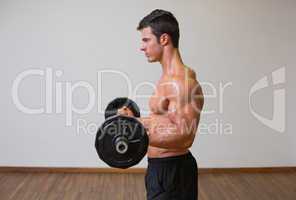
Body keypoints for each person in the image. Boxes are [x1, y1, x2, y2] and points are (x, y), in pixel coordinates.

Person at [118, 9, 204, 200]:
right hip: (159, 169)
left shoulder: (182, 82)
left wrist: (136, 131)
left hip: (174, 171)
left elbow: (184, 137)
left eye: (146, 40)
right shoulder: (167, 77)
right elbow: (165, 121)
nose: (142, 47)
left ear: (164, 39)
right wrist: (134, 120)